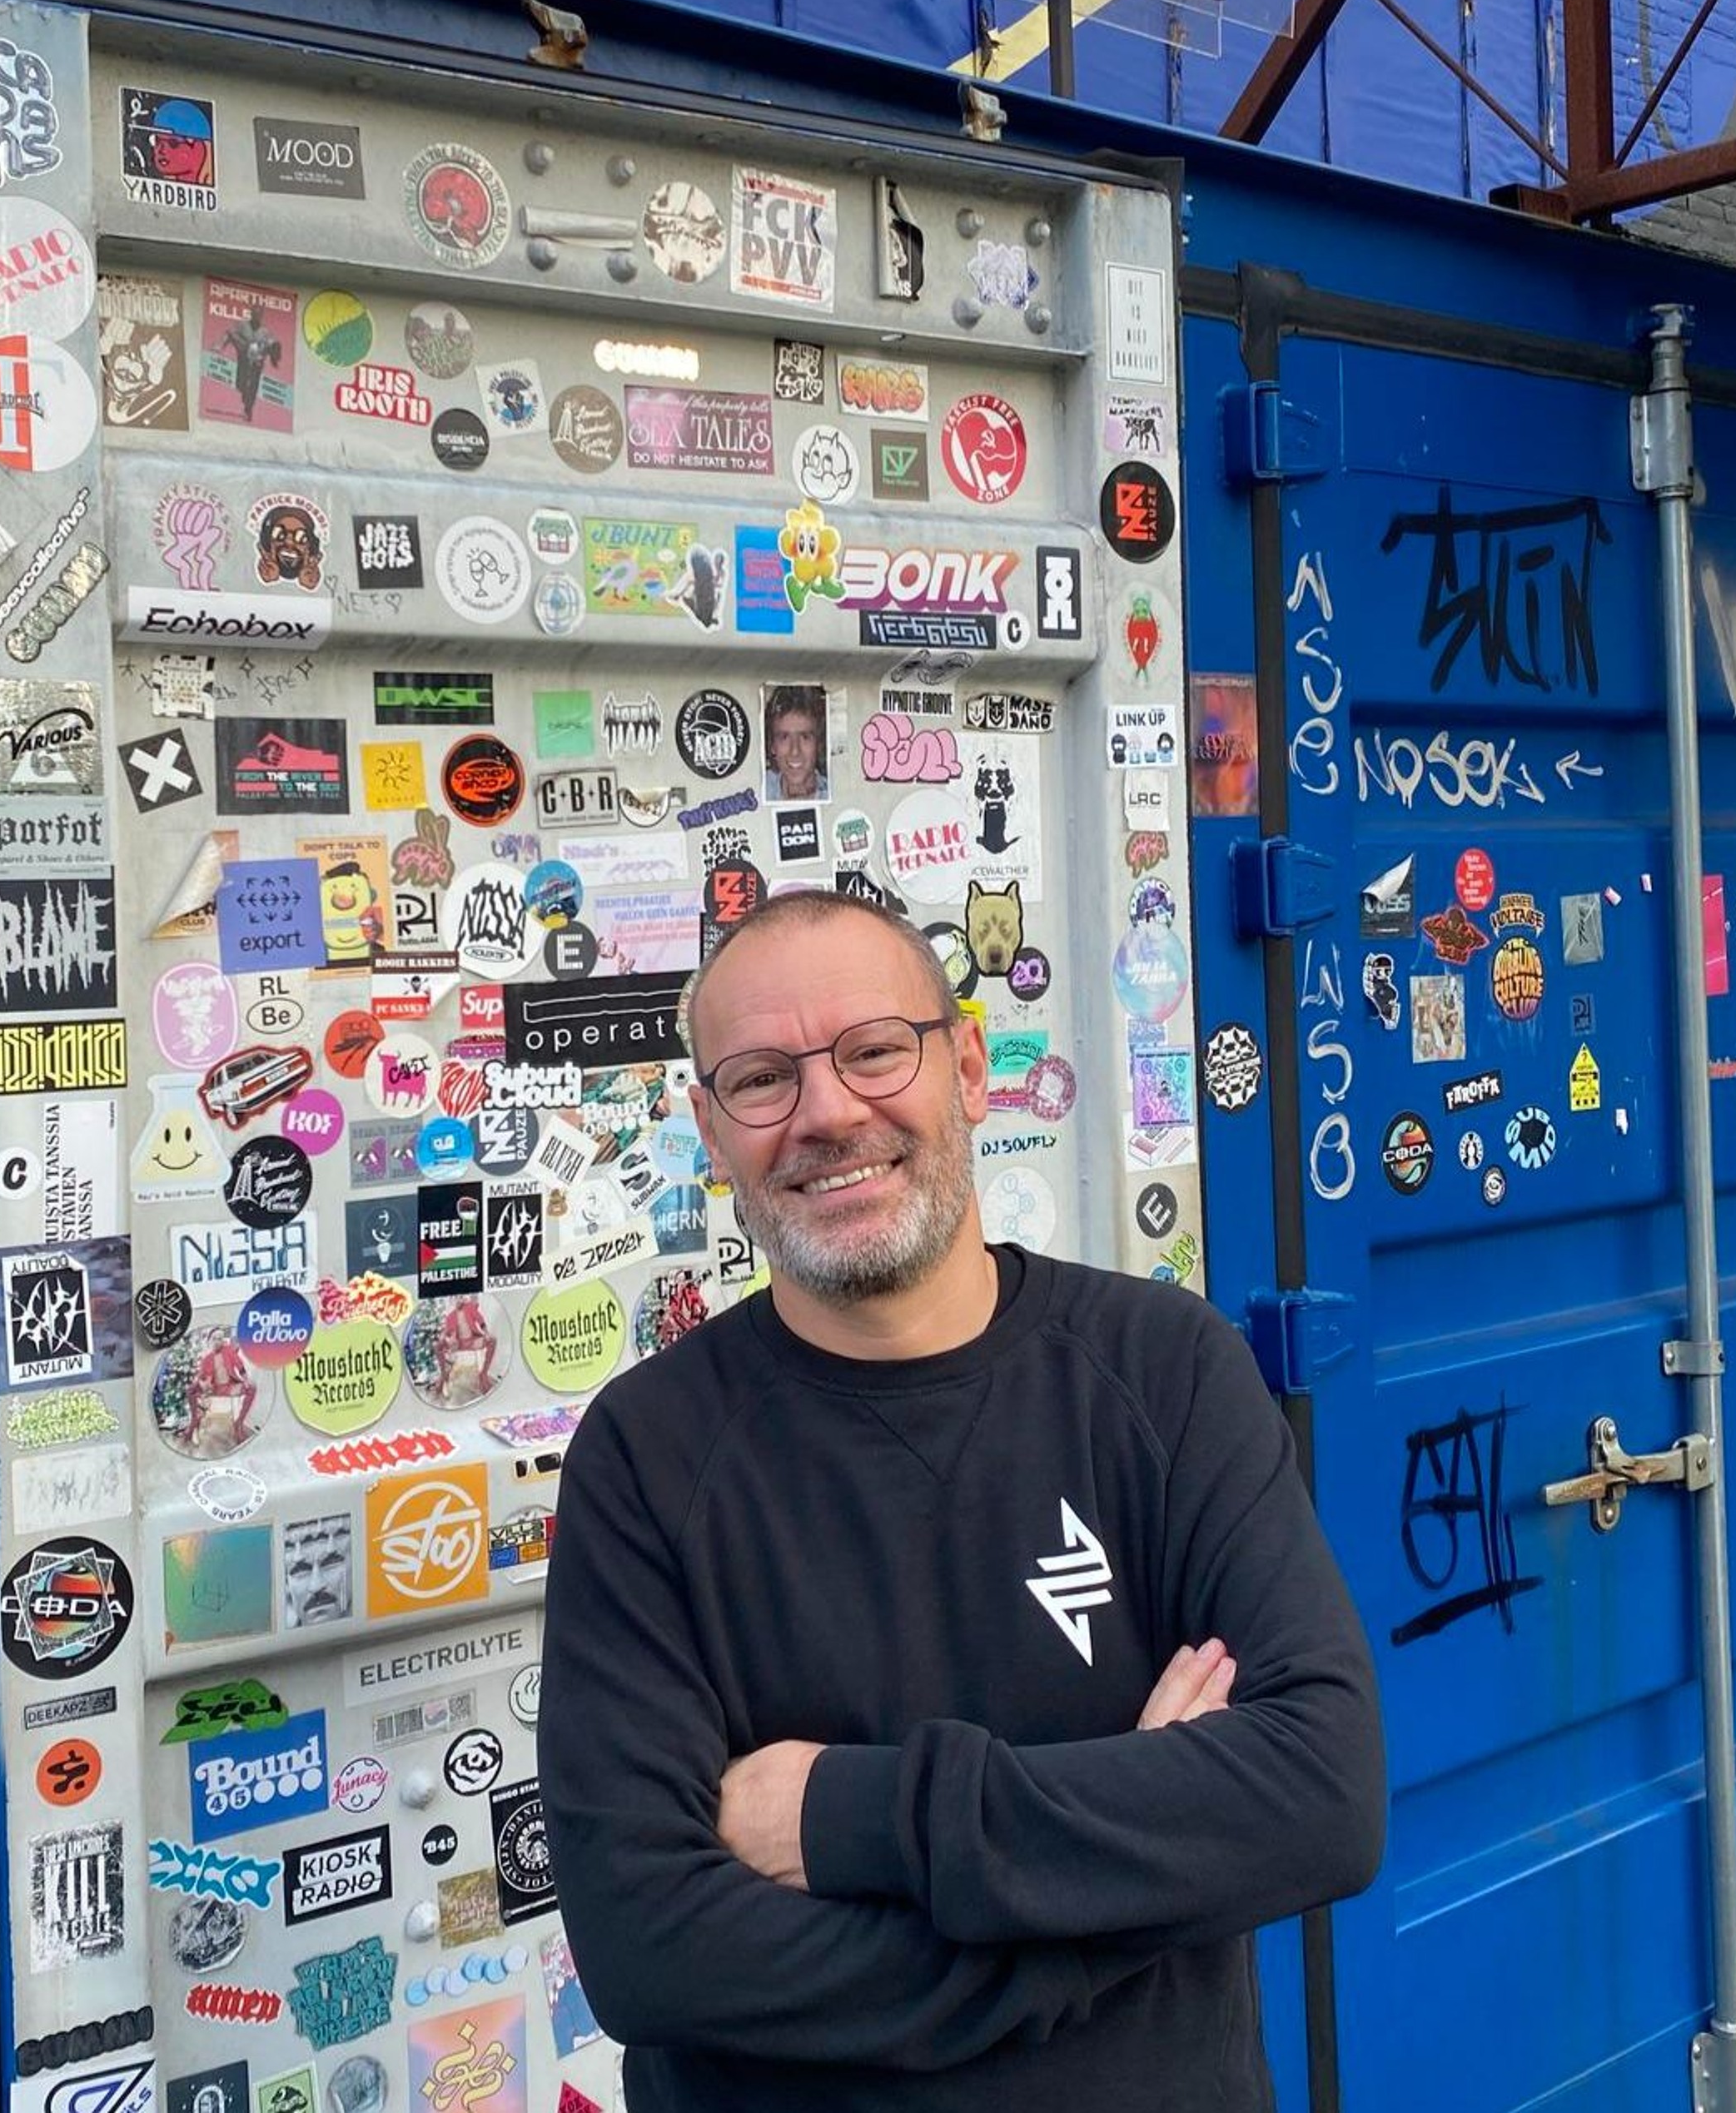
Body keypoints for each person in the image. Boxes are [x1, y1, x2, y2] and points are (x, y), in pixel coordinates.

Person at [540, 889, 1384, 2110]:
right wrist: (1104, 1905)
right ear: (712, 1134)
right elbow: (649, 1949)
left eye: (876, 1051)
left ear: (972, 1069)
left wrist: (848, 1814)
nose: (829, 1113)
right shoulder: (644, 1457)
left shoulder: (1166, 1371)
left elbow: (1321, 1796)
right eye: (764, 1079)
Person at [764, 685, 829, 803]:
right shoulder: (758, 788)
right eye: (784, 737)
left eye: (805, 737)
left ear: (818, 743)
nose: (795, 751)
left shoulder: (836, 793)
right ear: (772, 745)